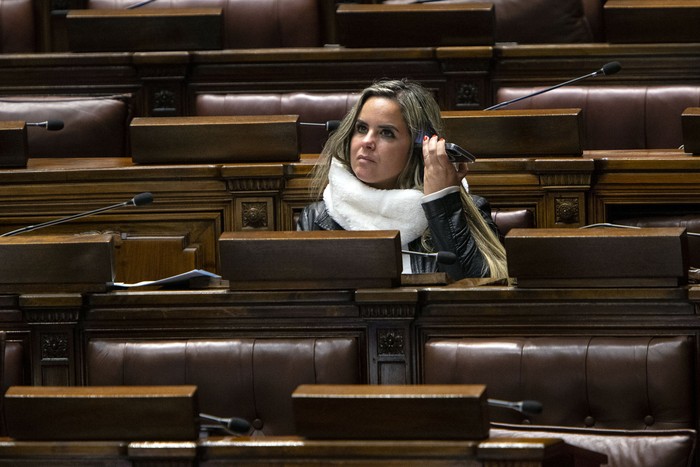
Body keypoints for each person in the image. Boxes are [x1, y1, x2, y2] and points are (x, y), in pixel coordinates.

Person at [297, 79, 507, 280]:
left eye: (386, 133)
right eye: (361, 128)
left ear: (418, 147)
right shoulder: (318, 219)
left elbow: (480, 293)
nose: (367, 141)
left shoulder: (458, 210)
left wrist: (441, 203)